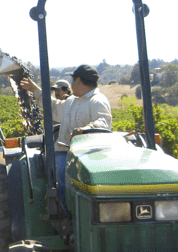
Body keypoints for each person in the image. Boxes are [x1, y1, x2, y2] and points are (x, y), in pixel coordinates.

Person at [20, 64, 112, 203]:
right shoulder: (72, 100)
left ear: (78, 82)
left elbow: (103, 121)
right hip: (64, 149)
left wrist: (85, 129)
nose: (72, 84)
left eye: (73, 81)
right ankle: (62, 212)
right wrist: (34, 89)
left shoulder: (97, 101)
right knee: (57, 177)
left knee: (63, 175)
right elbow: (53, 107)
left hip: (87, 154)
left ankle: (69, 212)